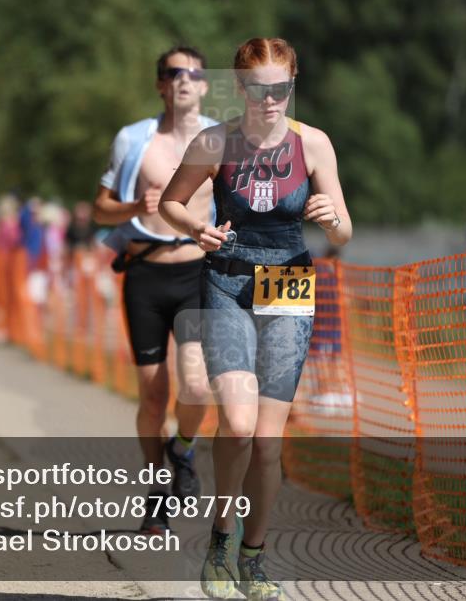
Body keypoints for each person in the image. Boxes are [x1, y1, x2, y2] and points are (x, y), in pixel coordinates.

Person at [159, 38, 352, 600]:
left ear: (293, 85)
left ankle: (254, 556)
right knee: (238, 427)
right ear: (240, 87)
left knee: (268, 442)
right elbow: (172, 203)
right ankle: (220, 538)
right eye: (259, 89)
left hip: (289, 285)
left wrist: (331, 218)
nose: (270, 100)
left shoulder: (313, 144)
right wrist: (196, 230)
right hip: (226, 281)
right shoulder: (216, 141)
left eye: (282, 89)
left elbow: (343, 230)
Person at [93, 45, 218, 534]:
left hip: (197, 274)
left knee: (195, 383)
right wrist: (132, 207)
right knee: (151, 396)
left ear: (205, 85)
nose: (183, 80)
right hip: (145, 273)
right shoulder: (134, 141)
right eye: (172, 73)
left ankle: (183, 448)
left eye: (192, 73)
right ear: (160, 85)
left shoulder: (220, 139)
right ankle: (156, 495)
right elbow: (99, 209)